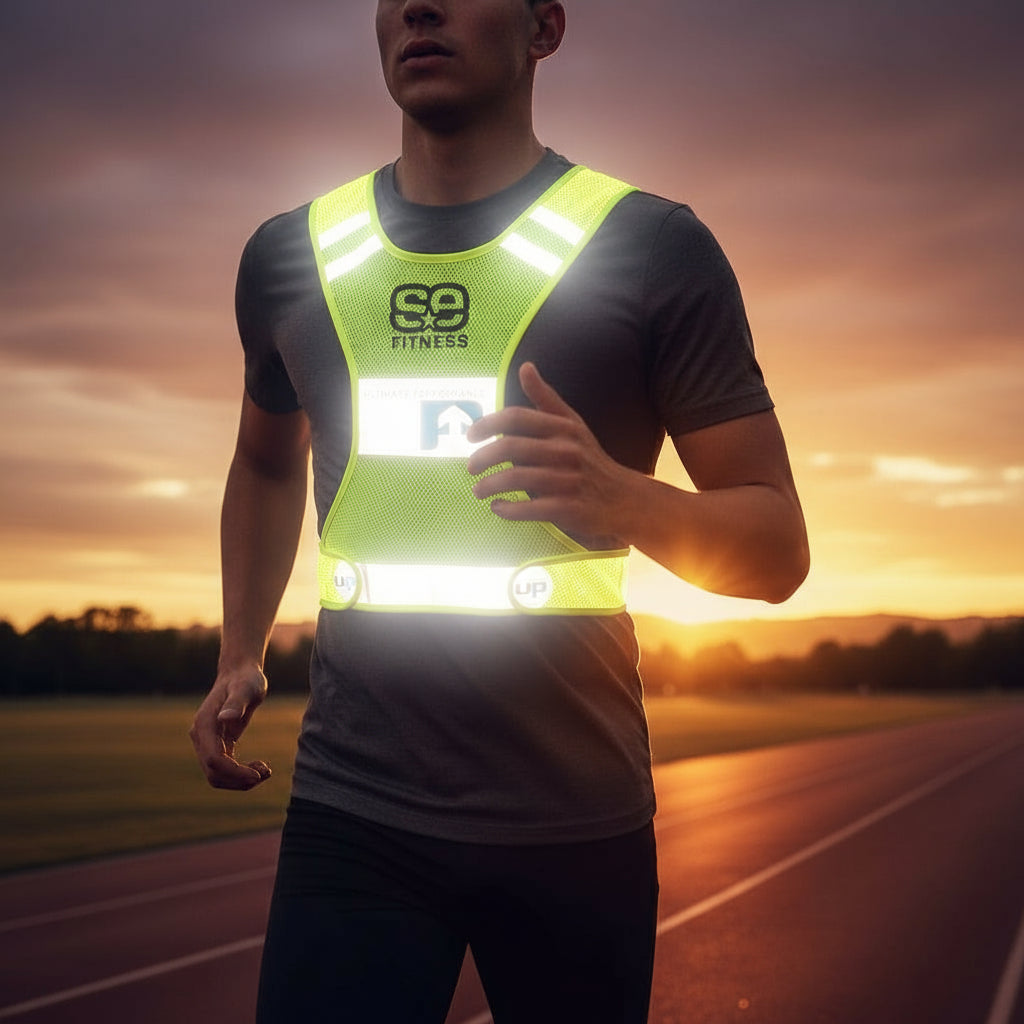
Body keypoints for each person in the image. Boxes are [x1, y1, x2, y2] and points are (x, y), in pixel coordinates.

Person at [190, 0, 809, 1020]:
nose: (417, 7)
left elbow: (776, 548)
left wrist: (620, 497)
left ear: (544, 28)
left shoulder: (652, 248)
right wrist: (239, 650)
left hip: (574, 821)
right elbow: (264, 463)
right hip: (355, 809)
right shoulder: (289, 255)